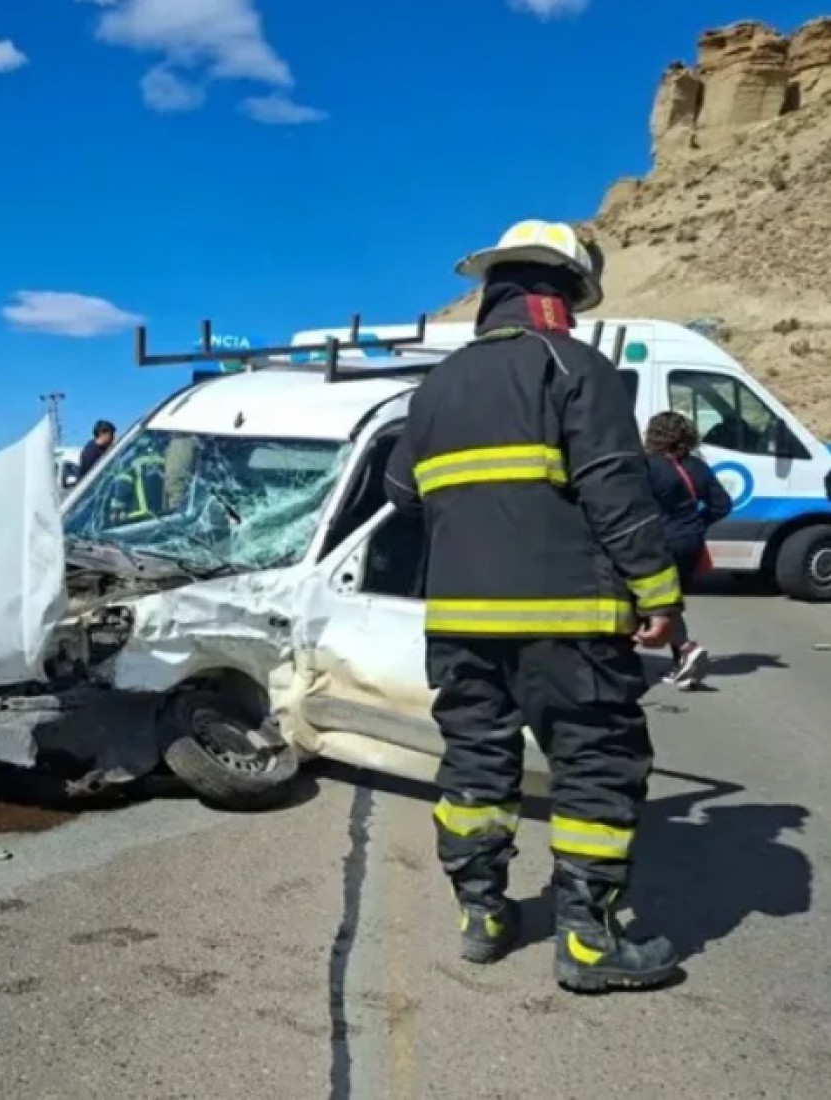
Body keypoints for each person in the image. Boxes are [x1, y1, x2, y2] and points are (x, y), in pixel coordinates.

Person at [384, 219, 684, 994]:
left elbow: (398, 496)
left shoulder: (433, 389)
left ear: (494, 293)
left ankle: (482, 916)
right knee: (595, 765)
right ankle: (587, 941)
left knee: (476, 763)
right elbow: (616, 492)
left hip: (459, 623)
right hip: (569, 621)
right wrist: (659, 594)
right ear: (560, 293)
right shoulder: (575, 366)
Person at [643, 410, 733, 689]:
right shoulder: (698, 467)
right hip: (691, 541)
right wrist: (696, 523)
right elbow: (722, 505)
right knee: (671, 599)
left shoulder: (650, 466)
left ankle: (686, 649)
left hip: (661, 540)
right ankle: (682, 665)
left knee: (656, 599)